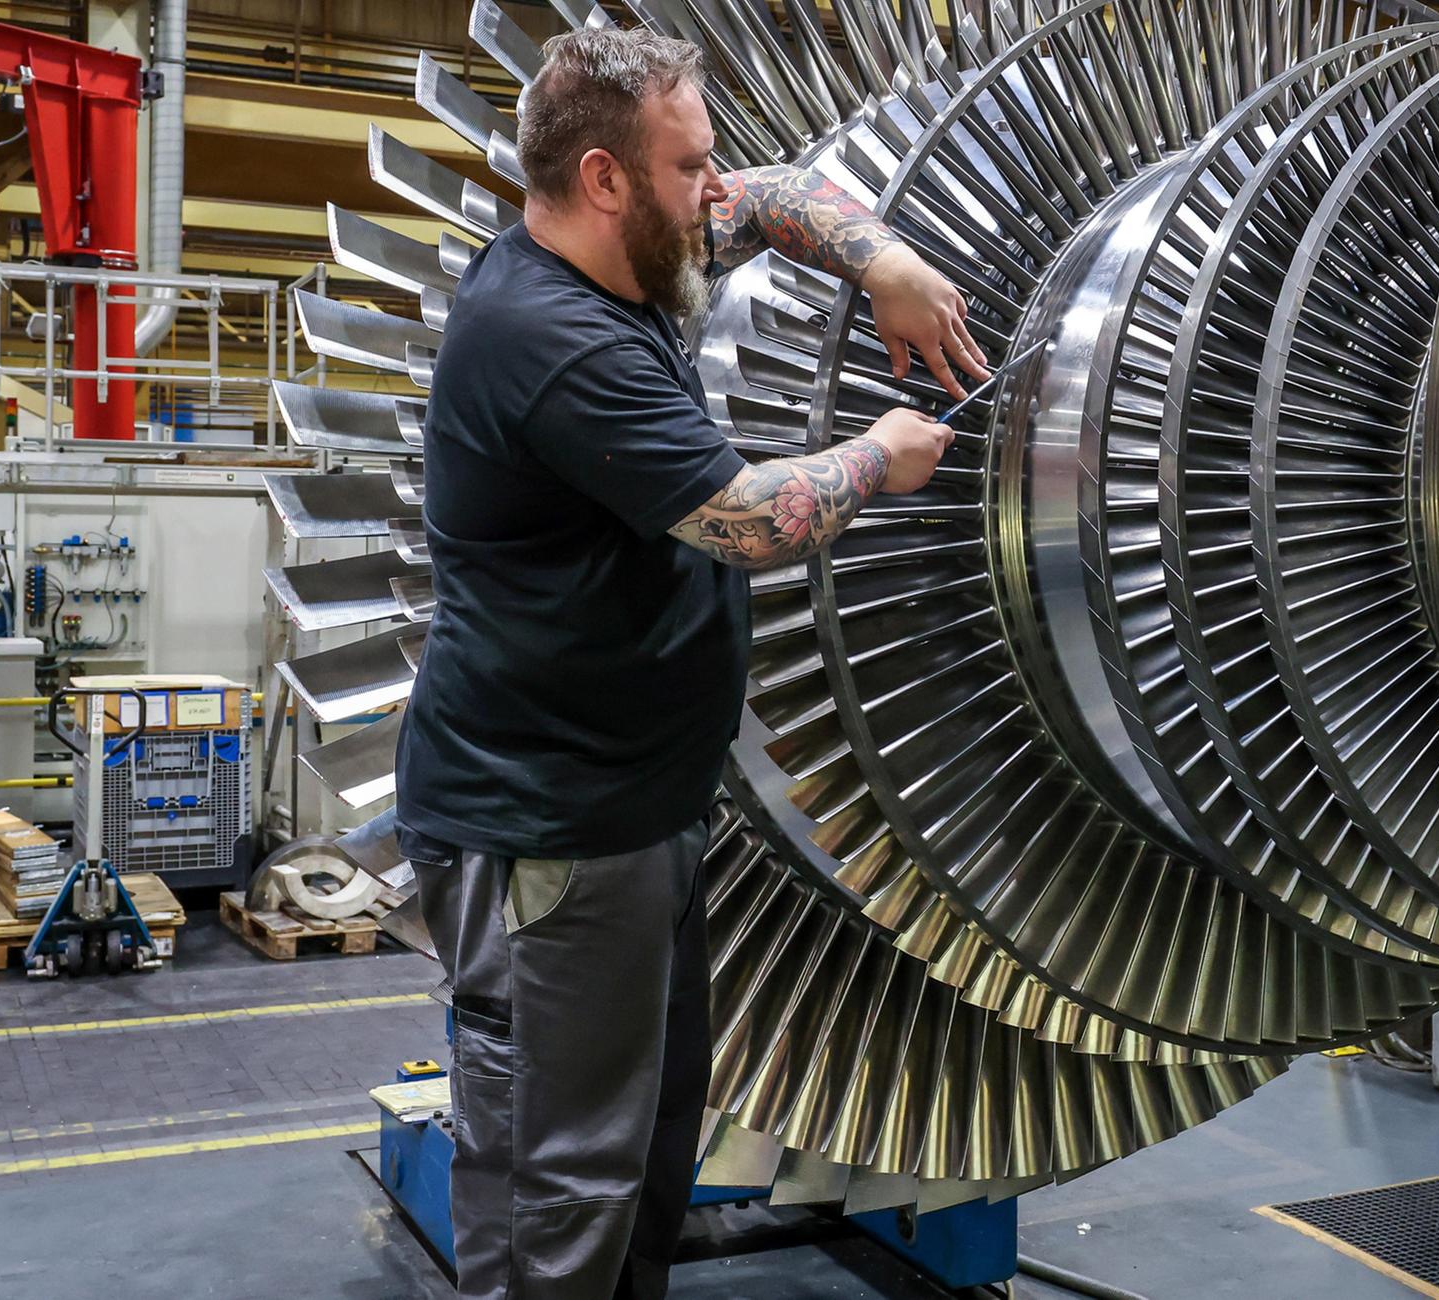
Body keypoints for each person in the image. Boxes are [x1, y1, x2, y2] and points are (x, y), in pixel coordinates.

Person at [391, 24, 990, 1300]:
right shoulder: (556, 342)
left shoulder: (626, 252)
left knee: (647, 1148)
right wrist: (879, 456)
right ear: (604, 177)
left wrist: (884, 259)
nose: (715, 189)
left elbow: (771, 200)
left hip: (636, 808)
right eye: (689, 166)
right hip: (548, 829)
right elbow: (748, 518)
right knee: (562, 1176)